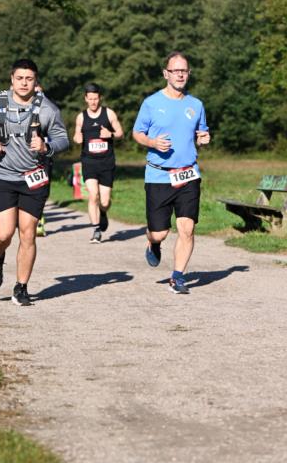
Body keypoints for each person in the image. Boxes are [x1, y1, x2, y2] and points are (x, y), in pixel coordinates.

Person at [0, 58, 69, 306]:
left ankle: (21, 287)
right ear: (12, 79)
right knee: (4, 234)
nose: (24, 83)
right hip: (4, 176)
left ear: (35, 81)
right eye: (20, 78)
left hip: (34, 178)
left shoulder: (48, 109)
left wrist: (46, 146)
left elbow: (63, 139)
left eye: (29, 78)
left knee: (28, 233)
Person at [132, 51, 211, 295]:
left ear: (188, 74)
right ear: (166, 73)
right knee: (160, 232)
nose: (180, 74)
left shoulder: (196, 105)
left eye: (184, 70)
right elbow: (137, 133)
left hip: (188, 174)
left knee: (186, 228)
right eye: (175, 70)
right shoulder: (152, 103)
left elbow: (201, 132)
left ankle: (177, 277)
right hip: (158, 175)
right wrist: (153, 143)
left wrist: (204, 138)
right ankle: (153, 243)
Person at [73, 83, 124, 243]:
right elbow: (76, 135)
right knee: (93, 195)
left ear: (99, 98)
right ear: (86, 99)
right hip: (89, 162)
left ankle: (103, 212)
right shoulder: (81, 117)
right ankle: (96, 230)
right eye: (90, 99)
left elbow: (121, 133)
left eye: (96, 99)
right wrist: (77, 138)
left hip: (106, 162)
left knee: (104, 201)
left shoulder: (108, 114)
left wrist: (111, 134)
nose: (93, 102)